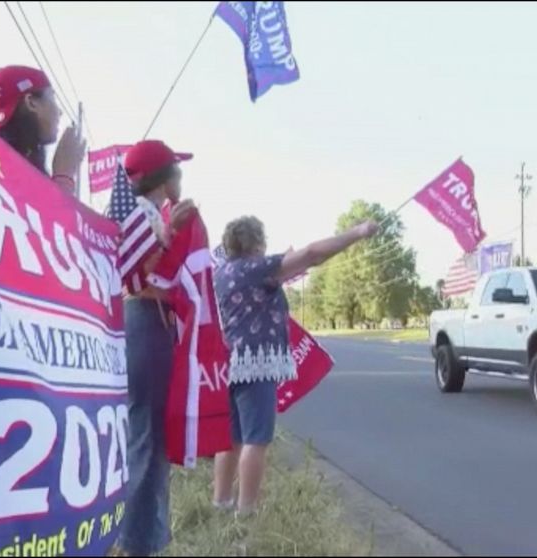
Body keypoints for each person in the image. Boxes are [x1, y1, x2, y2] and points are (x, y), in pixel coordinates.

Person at [212, 216, 378, 516]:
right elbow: (313, 254)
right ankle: (246, 511)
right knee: (256, 439)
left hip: (231, 363)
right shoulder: (258, 268)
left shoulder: (223, 272)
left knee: (232, 437)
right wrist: (358, 233)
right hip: (257, 364)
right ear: (257, 243)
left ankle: (221, 501)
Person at [115, 139, 196, 556]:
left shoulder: (149, 213)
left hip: (148, 324)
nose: (182, 178)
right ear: (163, 176)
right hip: (145, 325)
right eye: (177, 169)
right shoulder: (142, 215)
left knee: (151, 432)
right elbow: (136, 277)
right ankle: (139, 542)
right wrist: (168, 237)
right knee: (147, 432)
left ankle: (145, 536)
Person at [0, 65, 86, 196]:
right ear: (31, 102)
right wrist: (64, 176)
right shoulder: (10, 172)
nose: (60, 112)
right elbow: (49, 214)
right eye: (53, 98)